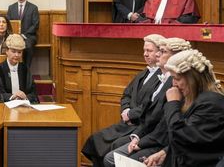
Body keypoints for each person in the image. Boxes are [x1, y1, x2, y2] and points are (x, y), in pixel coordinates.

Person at [103, 37, 192, 167]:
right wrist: (137, 137)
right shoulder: (160, 78)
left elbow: (165, 125)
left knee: (112, 159)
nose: (157, 54)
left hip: (161, 142)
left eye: (162, 51)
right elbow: (142, 107)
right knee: (110, 153)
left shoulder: (176, 86)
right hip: (146, 132)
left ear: (175, 57)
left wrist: (141, 142)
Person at [82, 34, 164, 167]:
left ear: (159, 53)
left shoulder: (162, 78)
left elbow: (151, 106)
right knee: (95, 139)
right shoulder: (144, 73)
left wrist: (131, 114)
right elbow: (126, 94)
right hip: (126, 123)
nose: (145, 54)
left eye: (149, 51)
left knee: (113, 148)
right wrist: (125, 110)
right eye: (144, 50)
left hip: (140, 125)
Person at [142, 49, 224, 167]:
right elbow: (194, 138)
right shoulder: (196, 98)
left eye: (177, 78)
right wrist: (165, 153)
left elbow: (182, 136)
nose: (174, 84)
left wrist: (173, 103)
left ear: (193, 78)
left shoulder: (211, 104)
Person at [0, 34, 39, 103]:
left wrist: (26, 97)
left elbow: (33, 93)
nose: (17, 55)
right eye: (13, 51)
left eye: (19, 52)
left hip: (23, 108)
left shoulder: (25, 69)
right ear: (6, 51)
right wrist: (11, 96)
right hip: (3, 109)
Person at [7, 0, 39, 67]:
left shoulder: (33, 8)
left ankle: (26, 70)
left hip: (29, 36)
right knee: (8, 45)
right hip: (14, 36)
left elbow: (35, 25)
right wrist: (15, 35)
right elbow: (8, 23)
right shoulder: (11, 8)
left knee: (28, 46)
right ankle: (12, 69)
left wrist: (23, 35)